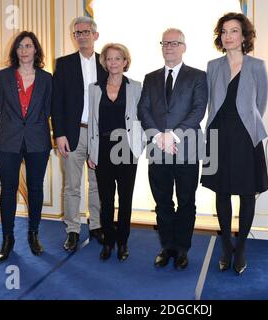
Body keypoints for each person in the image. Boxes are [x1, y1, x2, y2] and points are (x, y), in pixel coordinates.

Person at [201, 12, 268, 275]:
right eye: (224, 31)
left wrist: (245, 125)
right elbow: (210, 101)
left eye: (234, 31)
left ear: (244, 36)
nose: (228, 36)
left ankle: (241, 247)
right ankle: (226, 246)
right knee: (221, 192)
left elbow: (260, 105)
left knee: (246, 193)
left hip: (245, 137)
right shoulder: (212, 66)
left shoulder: (257, 65)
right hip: (218, 134)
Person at [137, 28, 208, 270]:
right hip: (157, 149)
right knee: (163, 202)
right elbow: (143, 110)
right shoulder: (150, 77)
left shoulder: (198, 76)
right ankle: (167, 247)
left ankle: (182, 250)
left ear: (183, 47)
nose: (169, 47)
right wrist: (159, 136)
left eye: (174, 43)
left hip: (186, 148)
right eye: (165, 43)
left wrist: (173, 136)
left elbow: (198, 110)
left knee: (186, 201)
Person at [0, 31, 52, 262]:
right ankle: (7, 239)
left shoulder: (46, 78)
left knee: (36, 188)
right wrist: (13, 128)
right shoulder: (3, 77)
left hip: (38, 139)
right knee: (8, 189)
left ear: (35, 49)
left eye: (28, 46)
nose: (24, 50)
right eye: (20, 47)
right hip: (8, 140)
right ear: (15, 51)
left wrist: (31, 127)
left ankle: (33, 235)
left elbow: (48, 109)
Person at [51, 16, 108, 251]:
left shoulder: (107, 63)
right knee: (72, 186)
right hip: (73, 134)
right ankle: (73, 230)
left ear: (95, 35)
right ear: (73, 37)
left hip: (99, 135)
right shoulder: (63, 64)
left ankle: (96, 226)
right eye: (78, 33)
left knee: (97, 184)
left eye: (86, 32)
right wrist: (59, 134)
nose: (82, 36)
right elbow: (57, 102)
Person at [87, 43, 144, 262]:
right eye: (109, 59)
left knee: (126, 199)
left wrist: (140, 146)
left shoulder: (136, 87)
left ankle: (123, 242)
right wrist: (92, 152)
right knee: (106, 200)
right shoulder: (94, 88)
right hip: (102, 148)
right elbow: (92, 122)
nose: (113, 63)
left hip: (127, 148)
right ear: (104, 62)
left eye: (118, 58)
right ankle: (108, 242)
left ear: (125, 62)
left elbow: (143, 118)